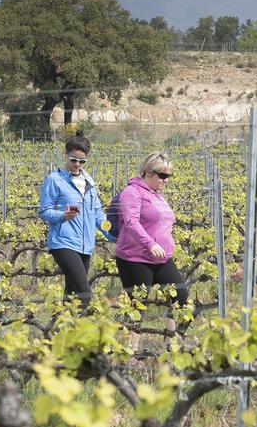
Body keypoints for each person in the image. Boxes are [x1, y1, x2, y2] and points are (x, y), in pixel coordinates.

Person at [38, 132, 107, 305]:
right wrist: (62, 216)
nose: (77, 164)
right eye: (73, 160)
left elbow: (97, 211)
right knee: (84, 294)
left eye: (82, 161)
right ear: (66, 155)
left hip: (86, 244)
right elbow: (44, 211)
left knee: (71, 295)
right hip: (63, 242)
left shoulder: (89, 180)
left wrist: (111, 231)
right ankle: (88, 321)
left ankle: (61, 321)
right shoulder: (54, 180)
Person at [114, 152, 189, 309]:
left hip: (161, 258)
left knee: (181, 296)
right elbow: (131, 221)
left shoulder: (157, 195)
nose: (166, 180)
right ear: (148, 172)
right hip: (136, 258)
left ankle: (172, 326)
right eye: (163, 175)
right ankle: (125, 326)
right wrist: (150, 243)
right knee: (136, 305)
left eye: (168, 176)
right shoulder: (132, 192)